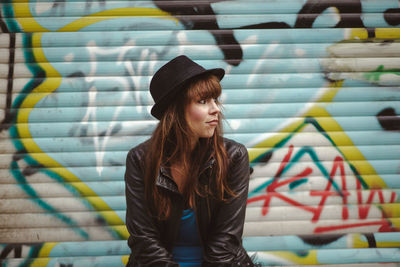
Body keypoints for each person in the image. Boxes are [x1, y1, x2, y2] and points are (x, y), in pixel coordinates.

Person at [124, 55, 254, 266]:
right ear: (175, 112)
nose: (216, 109)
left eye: (215, 100)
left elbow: (225, 244)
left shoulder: (234, 157)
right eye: (202, 101)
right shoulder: (140, 160)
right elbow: (144, 242)